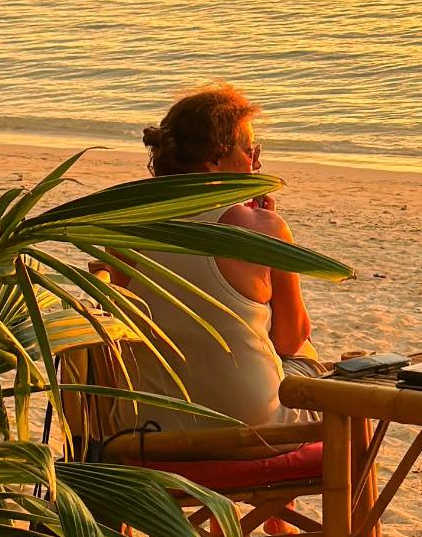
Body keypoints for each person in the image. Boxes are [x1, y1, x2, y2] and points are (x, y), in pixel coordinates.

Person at [97, 84, 322, 433]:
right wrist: (263, 227)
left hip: (148, 428)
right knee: (307, 351)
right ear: (216, 158)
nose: (257, 164)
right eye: (251, 152)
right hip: (250, 428)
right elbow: (290, 340)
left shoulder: (126, 227)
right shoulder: (264, 229)